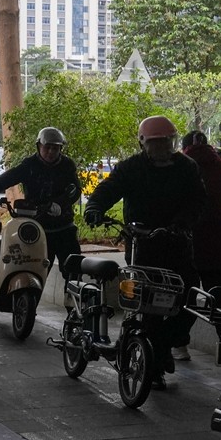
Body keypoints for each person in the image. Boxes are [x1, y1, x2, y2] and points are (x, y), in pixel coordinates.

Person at [84, 115, 206, 388]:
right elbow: (108, 189)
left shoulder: (187, 167)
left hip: (177, 244)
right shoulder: (131, 168)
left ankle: (165, 345)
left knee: (188, 301)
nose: (162, 148)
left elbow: (199, 201)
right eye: (155, 143)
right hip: (142, 245)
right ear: (143, 144)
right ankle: (154, 364)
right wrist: (94, 208)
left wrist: (181, 224)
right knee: (149, 306)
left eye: (166, 142)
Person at [178, 130, 221, 361]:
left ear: (184, 147)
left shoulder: (181, 168)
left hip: (190, 246)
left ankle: (179, 345)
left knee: (185, 297)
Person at [0, 127, 81, 275]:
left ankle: (73, 288)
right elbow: (7, 178)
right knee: (34, 270)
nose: (51, 152)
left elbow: (75, 190)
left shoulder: (67, 165)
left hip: (64, 226)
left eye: (55, 148)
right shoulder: (29, 165)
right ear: (39, 146)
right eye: (47, 147)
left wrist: (60, 203)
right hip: (37, 228)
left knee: (74, 269)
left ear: (60, 149)